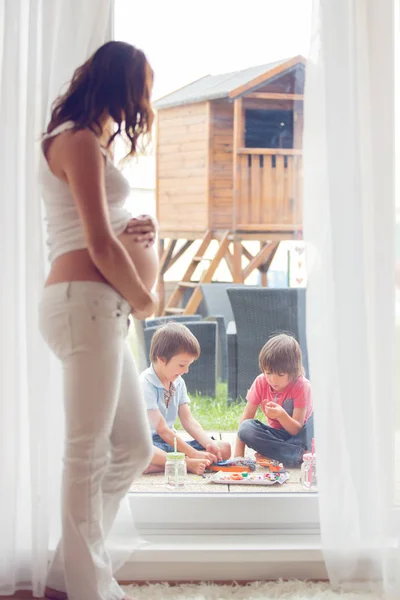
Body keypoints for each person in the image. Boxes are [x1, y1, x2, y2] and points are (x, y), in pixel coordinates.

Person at [39, 41, 160, 600]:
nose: (142, 105)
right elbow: (96, 243)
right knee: (85, 449)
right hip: (84, 302)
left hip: (100, 308)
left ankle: (70, 571)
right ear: (118, 86)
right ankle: (88, 590)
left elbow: (108, 229)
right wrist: (145, 299)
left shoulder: (94, 143)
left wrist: (140, 231)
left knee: (132, 447)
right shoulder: (77, 140)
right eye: (140, 92)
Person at [140, 322, 231, 475]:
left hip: (171, 444)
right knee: (144, 451)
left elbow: (188, 421)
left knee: (224, 448)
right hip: (151, 443)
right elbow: (162, 430)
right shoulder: (145, 384)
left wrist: (208, 444)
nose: (186, 371)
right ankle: (186, 463)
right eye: (182, 365)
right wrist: (193, 454)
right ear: (161, 359)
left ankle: (165, 465)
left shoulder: (178, 381)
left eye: (188, 365)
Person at [234, 333, 313, 467]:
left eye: (280, 374)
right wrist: (238, 455)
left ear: (294, 371)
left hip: (300, 435)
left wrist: (281, 415)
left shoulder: (301, 385)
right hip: (276, 437)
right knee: (247, 428)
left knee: (320, 420)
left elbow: (296, 430)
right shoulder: (261, 382)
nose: (273, 380)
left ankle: (277, 454)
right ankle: (296, 455)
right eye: (268, 373)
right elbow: (245, 421)